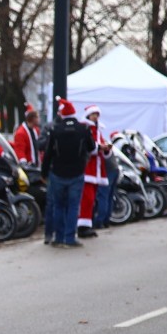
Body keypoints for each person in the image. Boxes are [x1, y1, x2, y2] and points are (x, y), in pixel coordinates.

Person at [41, 97, 95, 248]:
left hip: (57, 173)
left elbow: (48, 154)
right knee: (73, 206)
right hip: (77, 173)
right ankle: (70, 238)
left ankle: (58, 238)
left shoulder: (55, 130)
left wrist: (44, 173)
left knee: (58, 206)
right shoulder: (83, 129)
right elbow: (92, 148)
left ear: (62, 114)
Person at [77, 105, 110, 238]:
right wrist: (99, 148)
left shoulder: (97, 130)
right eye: (93, 114)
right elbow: (88, 147)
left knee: (91, 200)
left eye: (97, 114)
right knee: (87, 198)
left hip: (96, 169)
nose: (95, 116)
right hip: (88, 169)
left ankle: (87, 224)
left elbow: (99, 146)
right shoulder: (86, 129)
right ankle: (83, 226)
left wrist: (106, 149)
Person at [94, 131, 120, 229]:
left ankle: (99, 221)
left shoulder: (99, 143)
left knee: (103, 196)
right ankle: (106, 220)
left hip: (107, 171)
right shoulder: (104, 141)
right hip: (114, 169)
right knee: (109, 196)